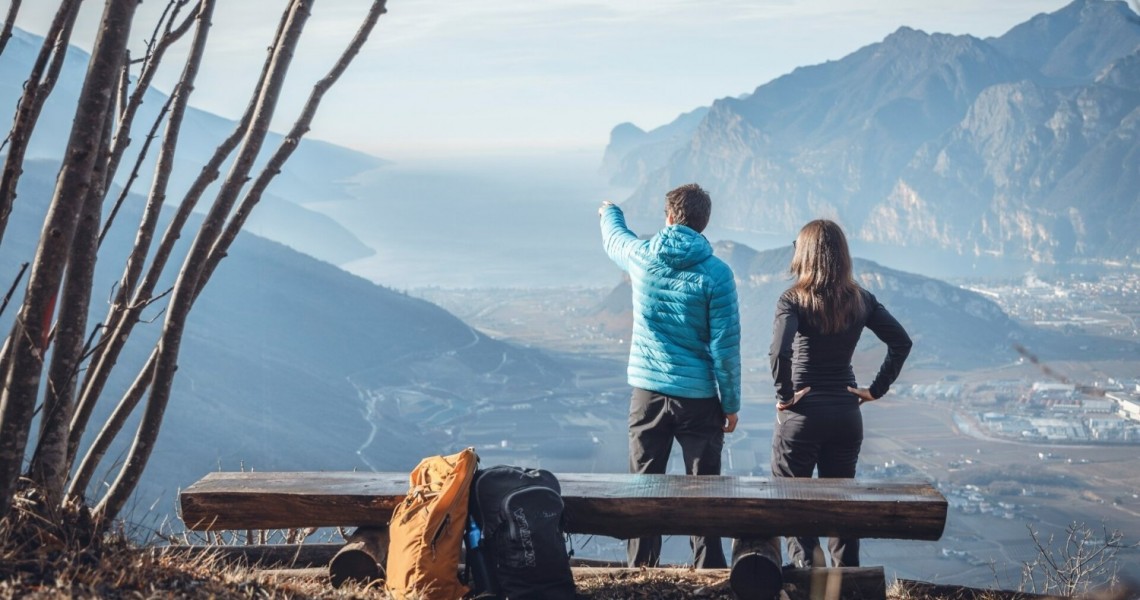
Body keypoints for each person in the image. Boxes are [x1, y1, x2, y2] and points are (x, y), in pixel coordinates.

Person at [598, 183, 741, 569]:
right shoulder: (717, 274)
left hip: (647, 395)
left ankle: (641, 572)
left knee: (643, 488)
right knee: (704, 490)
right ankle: (709, 569)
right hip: (698, 398)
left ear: (670, 216)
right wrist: (731, 405)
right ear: (703, 222)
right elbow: (725, 349)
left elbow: (616, 239)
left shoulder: (643, 257)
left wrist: (609, 211)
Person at [769, 219, 912, 568]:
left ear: (804, 254)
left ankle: (807, 581)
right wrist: (874, 390)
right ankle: (846, 583)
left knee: (792, 504)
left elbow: (779, 352)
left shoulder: (793, 299)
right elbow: (901, 342)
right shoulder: (861, 299)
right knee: (842, 507)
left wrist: (785, 395)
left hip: (802, 418)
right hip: (847, 417)